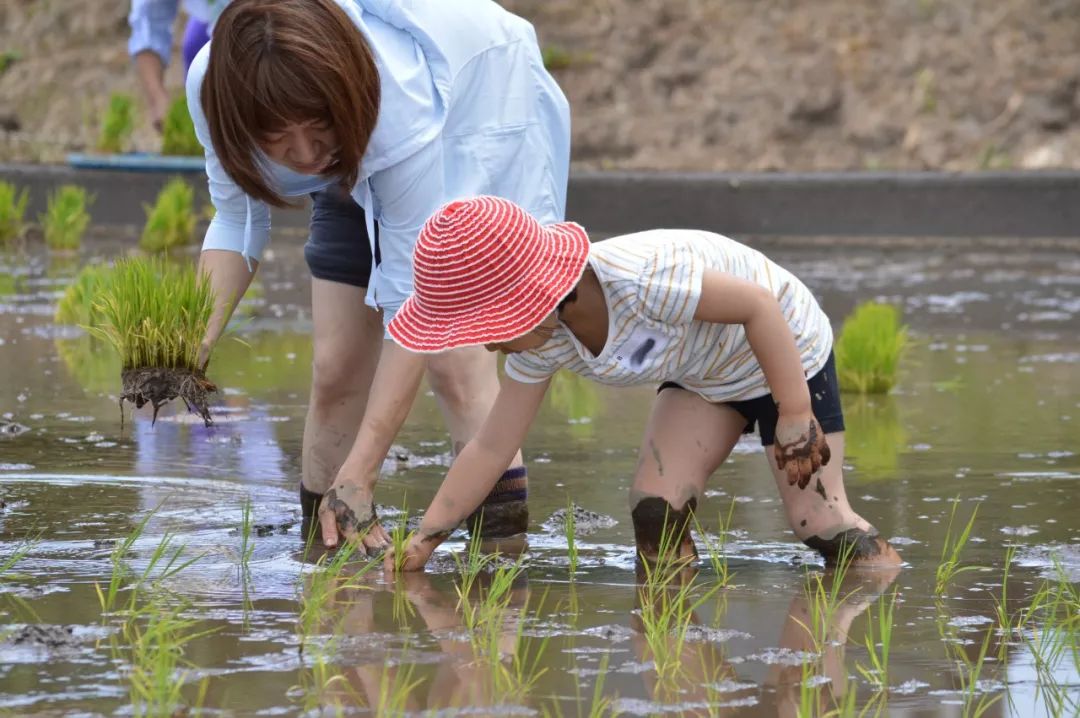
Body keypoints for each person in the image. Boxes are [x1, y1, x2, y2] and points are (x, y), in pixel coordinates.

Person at [186, 0, 570, 547]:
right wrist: (190, 345)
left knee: (455, 364)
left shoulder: (397, 105)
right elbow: (237, 217)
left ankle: (498, 575)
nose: (302, 155)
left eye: (315, 131)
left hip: (477, 108)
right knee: (337, 365)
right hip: (355, 125)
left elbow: (415, 304)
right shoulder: (219, 87)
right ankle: (326, 556)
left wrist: (364, 468)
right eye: (278, 141)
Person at [384, 196, 904, 572]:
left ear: (534, 299)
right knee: (656, 512)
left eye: (489, 328)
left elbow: (758, 307)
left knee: (819, 522)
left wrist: (793, 411)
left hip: (782, 353)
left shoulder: (644, 280)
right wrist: (427, 538)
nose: (488, 346)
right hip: (704, 376)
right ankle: (679, 666)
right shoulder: (543, 342)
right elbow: (492, 446)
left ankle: (884, 595)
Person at [128, 0, 228, 131]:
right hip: (210, 16)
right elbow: (148, 21)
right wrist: (158, 98)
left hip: (255, 15)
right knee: (195, 50)